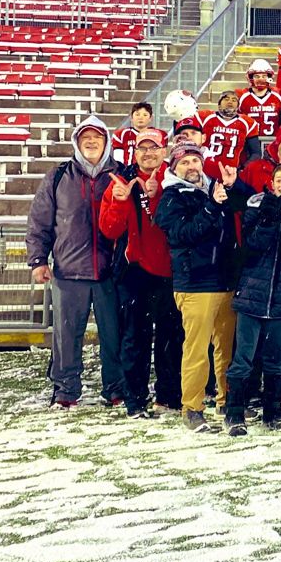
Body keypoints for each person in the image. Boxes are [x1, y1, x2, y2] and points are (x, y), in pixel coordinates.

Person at [28, 116, 124, 409]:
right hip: (69, 272)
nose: (91, 142)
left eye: (97, 137)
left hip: (111, 273)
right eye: (85, 138)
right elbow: (40, 221)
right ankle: (66, 390)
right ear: (77, 143)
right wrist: (38, 260)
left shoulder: (120, 174)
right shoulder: (58, 176)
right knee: (67, 337)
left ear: (106, 142)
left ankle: (116, 389)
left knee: (114, 336)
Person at [155, 142, 249, 433]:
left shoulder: (214, 188)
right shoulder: (171, 196)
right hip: (196, 283)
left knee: (227, 348)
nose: (191, 167)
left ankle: (225, 400)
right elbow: (184, 233)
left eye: (195, 161)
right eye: (184, 163)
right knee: (196, 350)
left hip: (225, 279)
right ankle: (192, 408)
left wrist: (234, 186)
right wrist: (212, 206)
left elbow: (248, 204)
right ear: (174, 168)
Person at [225, 163, 281, 434]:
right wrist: (270, 217)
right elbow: (253, 245)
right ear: (271, 184)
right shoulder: (256, 207)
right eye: (279, 180)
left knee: (278, 356)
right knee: (243, 356)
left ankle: (273, 411)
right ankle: (234, 413)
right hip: (253, 293)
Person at [99, 129, 181, 418]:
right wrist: (120, 201)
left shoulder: (175, 178)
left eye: (154, 147)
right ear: (134, 153)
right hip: (135, 271)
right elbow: (109, 230)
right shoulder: (121, 182)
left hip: (172, 271)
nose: (149, 153)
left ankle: (168, 396)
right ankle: (135, 399)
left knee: (171, 338)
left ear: (164, 150)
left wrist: (158, 195)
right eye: (142, 148)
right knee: (136, 339)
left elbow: (172, 222)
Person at [197, 90, 261, 168]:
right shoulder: (205, 117)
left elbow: (256, 153)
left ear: (238, 106)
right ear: (219, 104)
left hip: (232, 170)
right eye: (226, 99)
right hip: (204, 168)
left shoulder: (247, 123)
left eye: (234, 100)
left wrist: (242, 169)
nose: (230, 102)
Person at [238, 59, 281, 138]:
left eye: (264, 76)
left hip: (272, 140)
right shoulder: (242, 96)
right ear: (250, 77)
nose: (261, 79)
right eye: (257, 76)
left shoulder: (278, 96)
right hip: (250, 141)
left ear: (269, 77)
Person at [111, 102, 164, 166]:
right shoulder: (122, 134)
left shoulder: (157, 135)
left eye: (145, 115)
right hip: (127, 171)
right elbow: (118, 161)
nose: (140, 117)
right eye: (137, 114)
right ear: (131, 117)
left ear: (150, 118)